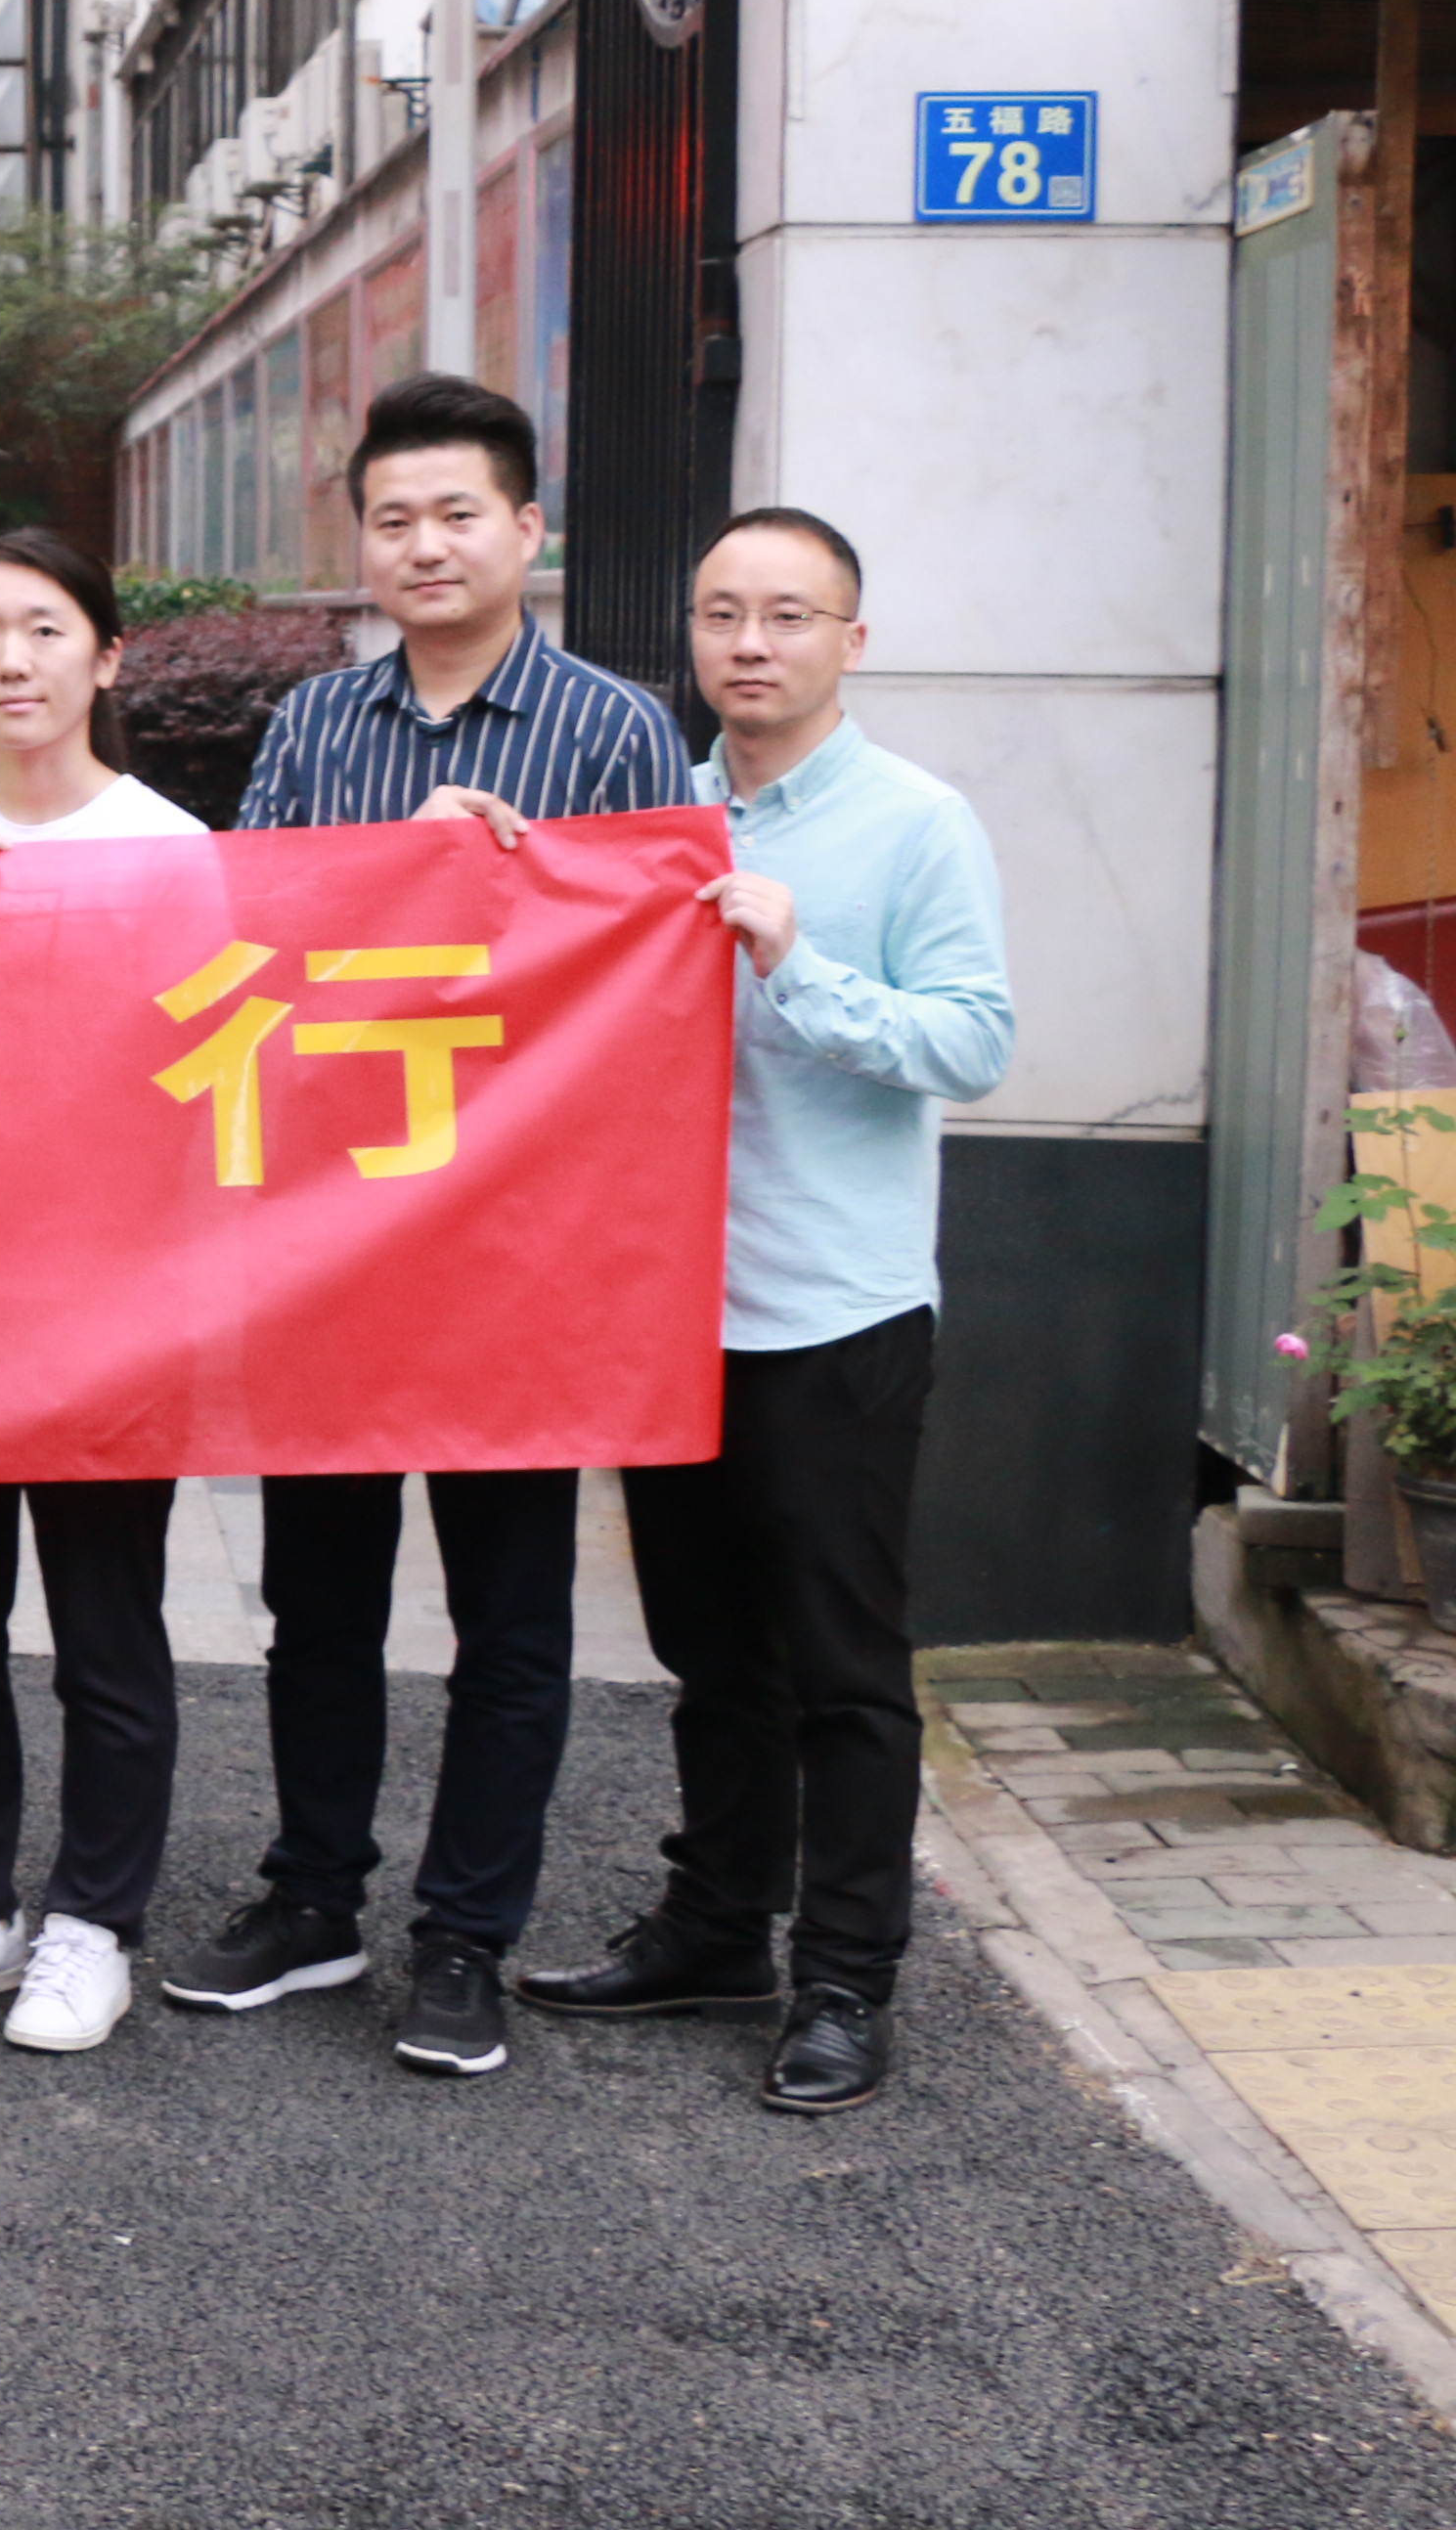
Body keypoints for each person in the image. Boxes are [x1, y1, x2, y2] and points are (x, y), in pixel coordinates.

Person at [156, 370, 686, 2077]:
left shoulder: (615, 731)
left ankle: (466, 1936)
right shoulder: (317, 729)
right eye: (394, 519)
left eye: (460, 513)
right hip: (337, 1238)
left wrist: (504, 883)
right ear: (364, 546)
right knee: (320, 1602)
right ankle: (314, 1896)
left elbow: (645, 987)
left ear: (528, 529)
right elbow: (248, 953)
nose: (426, 546)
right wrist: (400, 862)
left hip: (521, 1250)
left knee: (510, 1617)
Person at [519, 507, 1011, 2115]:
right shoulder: (661, 821)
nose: (750, 642)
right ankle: (719, 1928)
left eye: (789, 615)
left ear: (850, 642)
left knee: (842, 1667)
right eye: (723, 611)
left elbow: (973, 1042)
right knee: (710, 1652)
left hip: (835, 1310)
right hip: (676, 1308)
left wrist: (799, 965)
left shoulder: (917, 822)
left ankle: (848, 1981)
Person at [0, 529, 214, 2053]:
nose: (13, 661)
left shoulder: (169, 847)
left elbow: (206, 1076)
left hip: (107, 1302)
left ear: (107, 657)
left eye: (47, 629)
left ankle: (95, 1922)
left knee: (103, 1628)